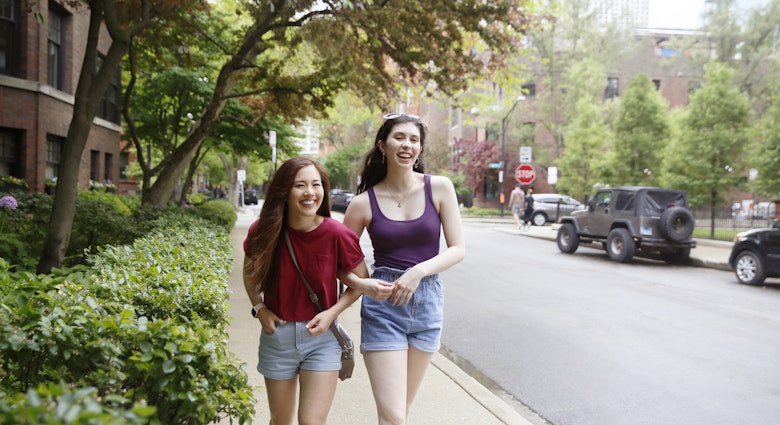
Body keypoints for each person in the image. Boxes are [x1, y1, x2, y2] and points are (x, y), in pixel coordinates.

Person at [243, 157, 390, 425]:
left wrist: (331, 313)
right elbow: (250, 273)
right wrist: (260, 308)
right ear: (284, 191)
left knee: (311, 422)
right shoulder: (263, 230)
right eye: (300, 185)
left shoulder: (337, 234)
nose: (311, 193)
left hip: (322, 339)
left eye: (316, 184)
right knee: (280, 421)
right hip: (278, 336)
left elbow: (359, 282)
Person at [342, 112, 466, 425]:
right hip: (383, 307)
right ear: (382, 146)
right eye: (400, 137)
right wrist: (363, 284)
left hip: (427, 305)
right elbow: (340, 263)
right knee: (395, 416)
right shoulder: (362, 204)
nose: (407, 144)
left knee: (398, 415)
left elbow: (457, 249)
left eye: (414, 140)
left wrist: (417, 271)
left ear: (420, 149)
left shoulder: (439, 188)